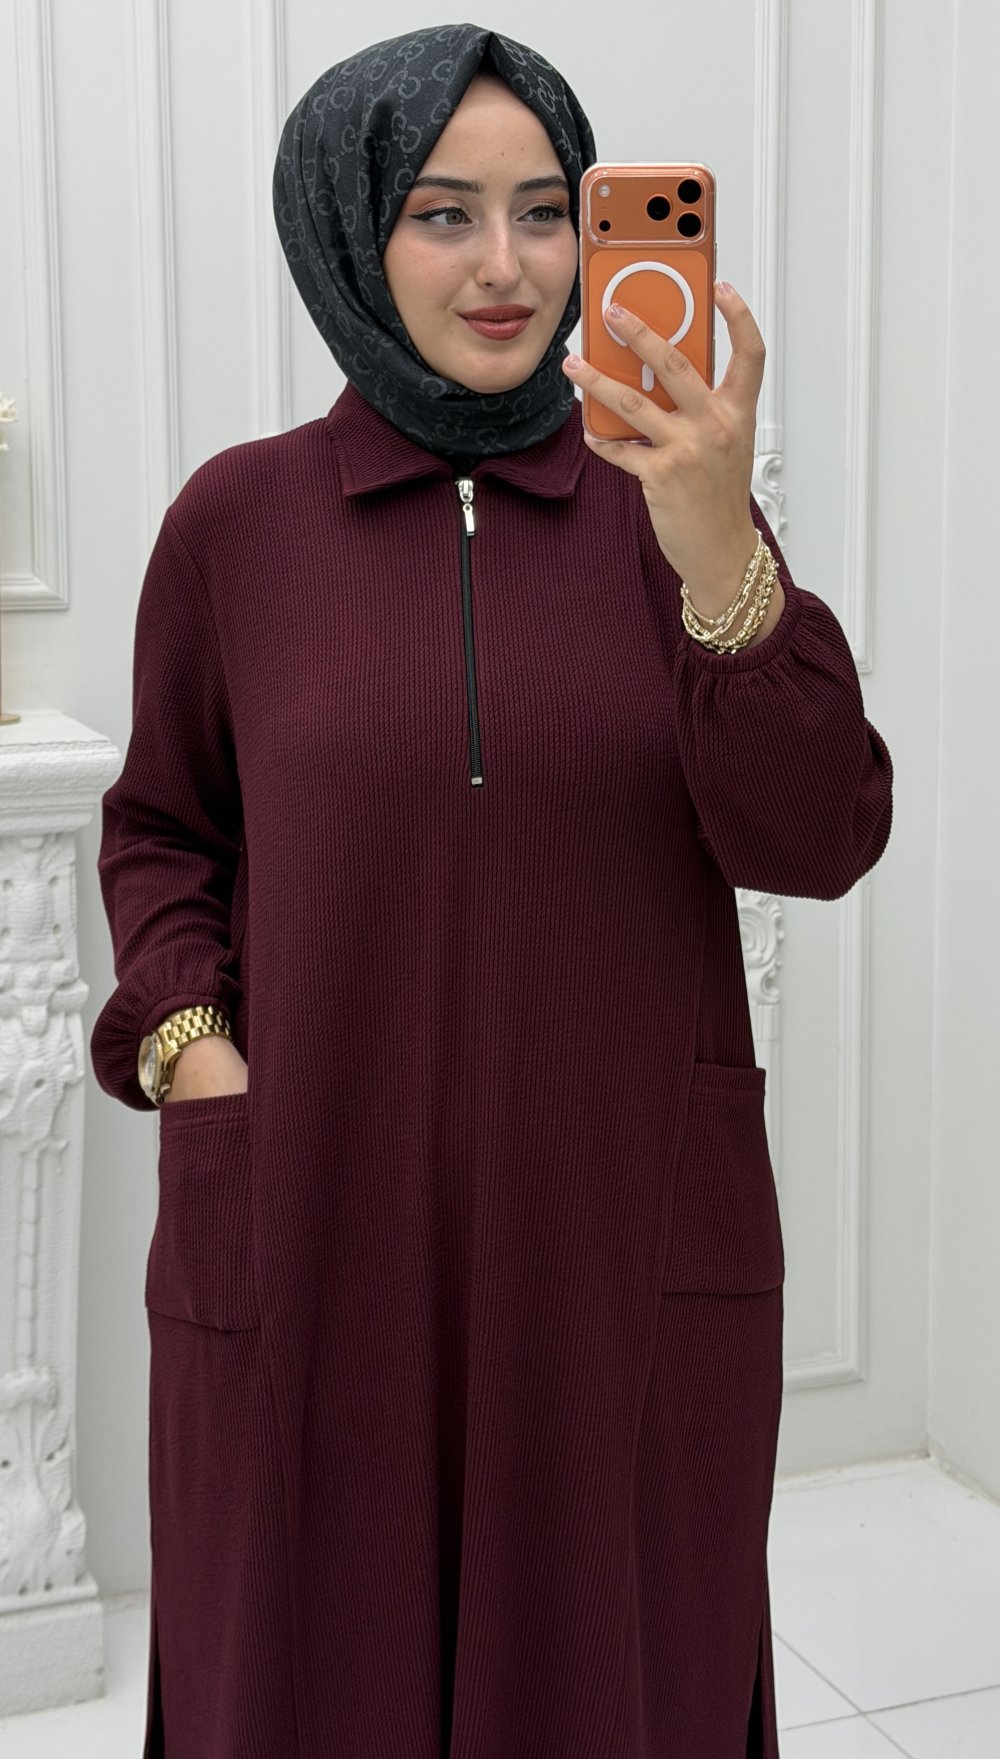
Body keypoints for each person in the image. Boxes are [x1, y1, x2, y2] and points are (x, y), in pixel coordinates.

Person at [90, 23, 894, 1759]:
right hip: (316, 1202)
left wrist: (717, 547)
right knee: (309, 1654)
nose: (510, 267)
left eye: (547, 212)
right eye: (445, 214)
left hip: (615, 1220)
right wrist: (192, 1052)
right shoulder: (236, 526)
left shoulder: (673, 512)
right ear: (350, 229)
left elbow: (818, 836)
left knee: (618, 1652)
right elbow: (163, 829)